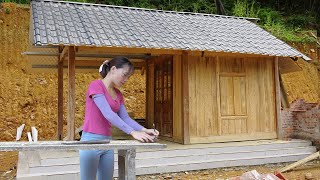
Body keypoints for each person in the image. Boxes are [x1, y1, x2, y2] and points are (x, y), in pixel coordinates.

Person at [79, 56, 159, 180]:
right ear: (114, 69)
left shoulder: (118, 94)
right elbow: (108, 114)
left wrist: (144, 130)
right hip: (90, 141)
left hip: (107, 142)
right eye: (125, 75)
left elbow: (125, 118)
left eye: (128, 77)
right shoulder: (96, 85)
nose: (126, 79)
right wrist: (132, 132)